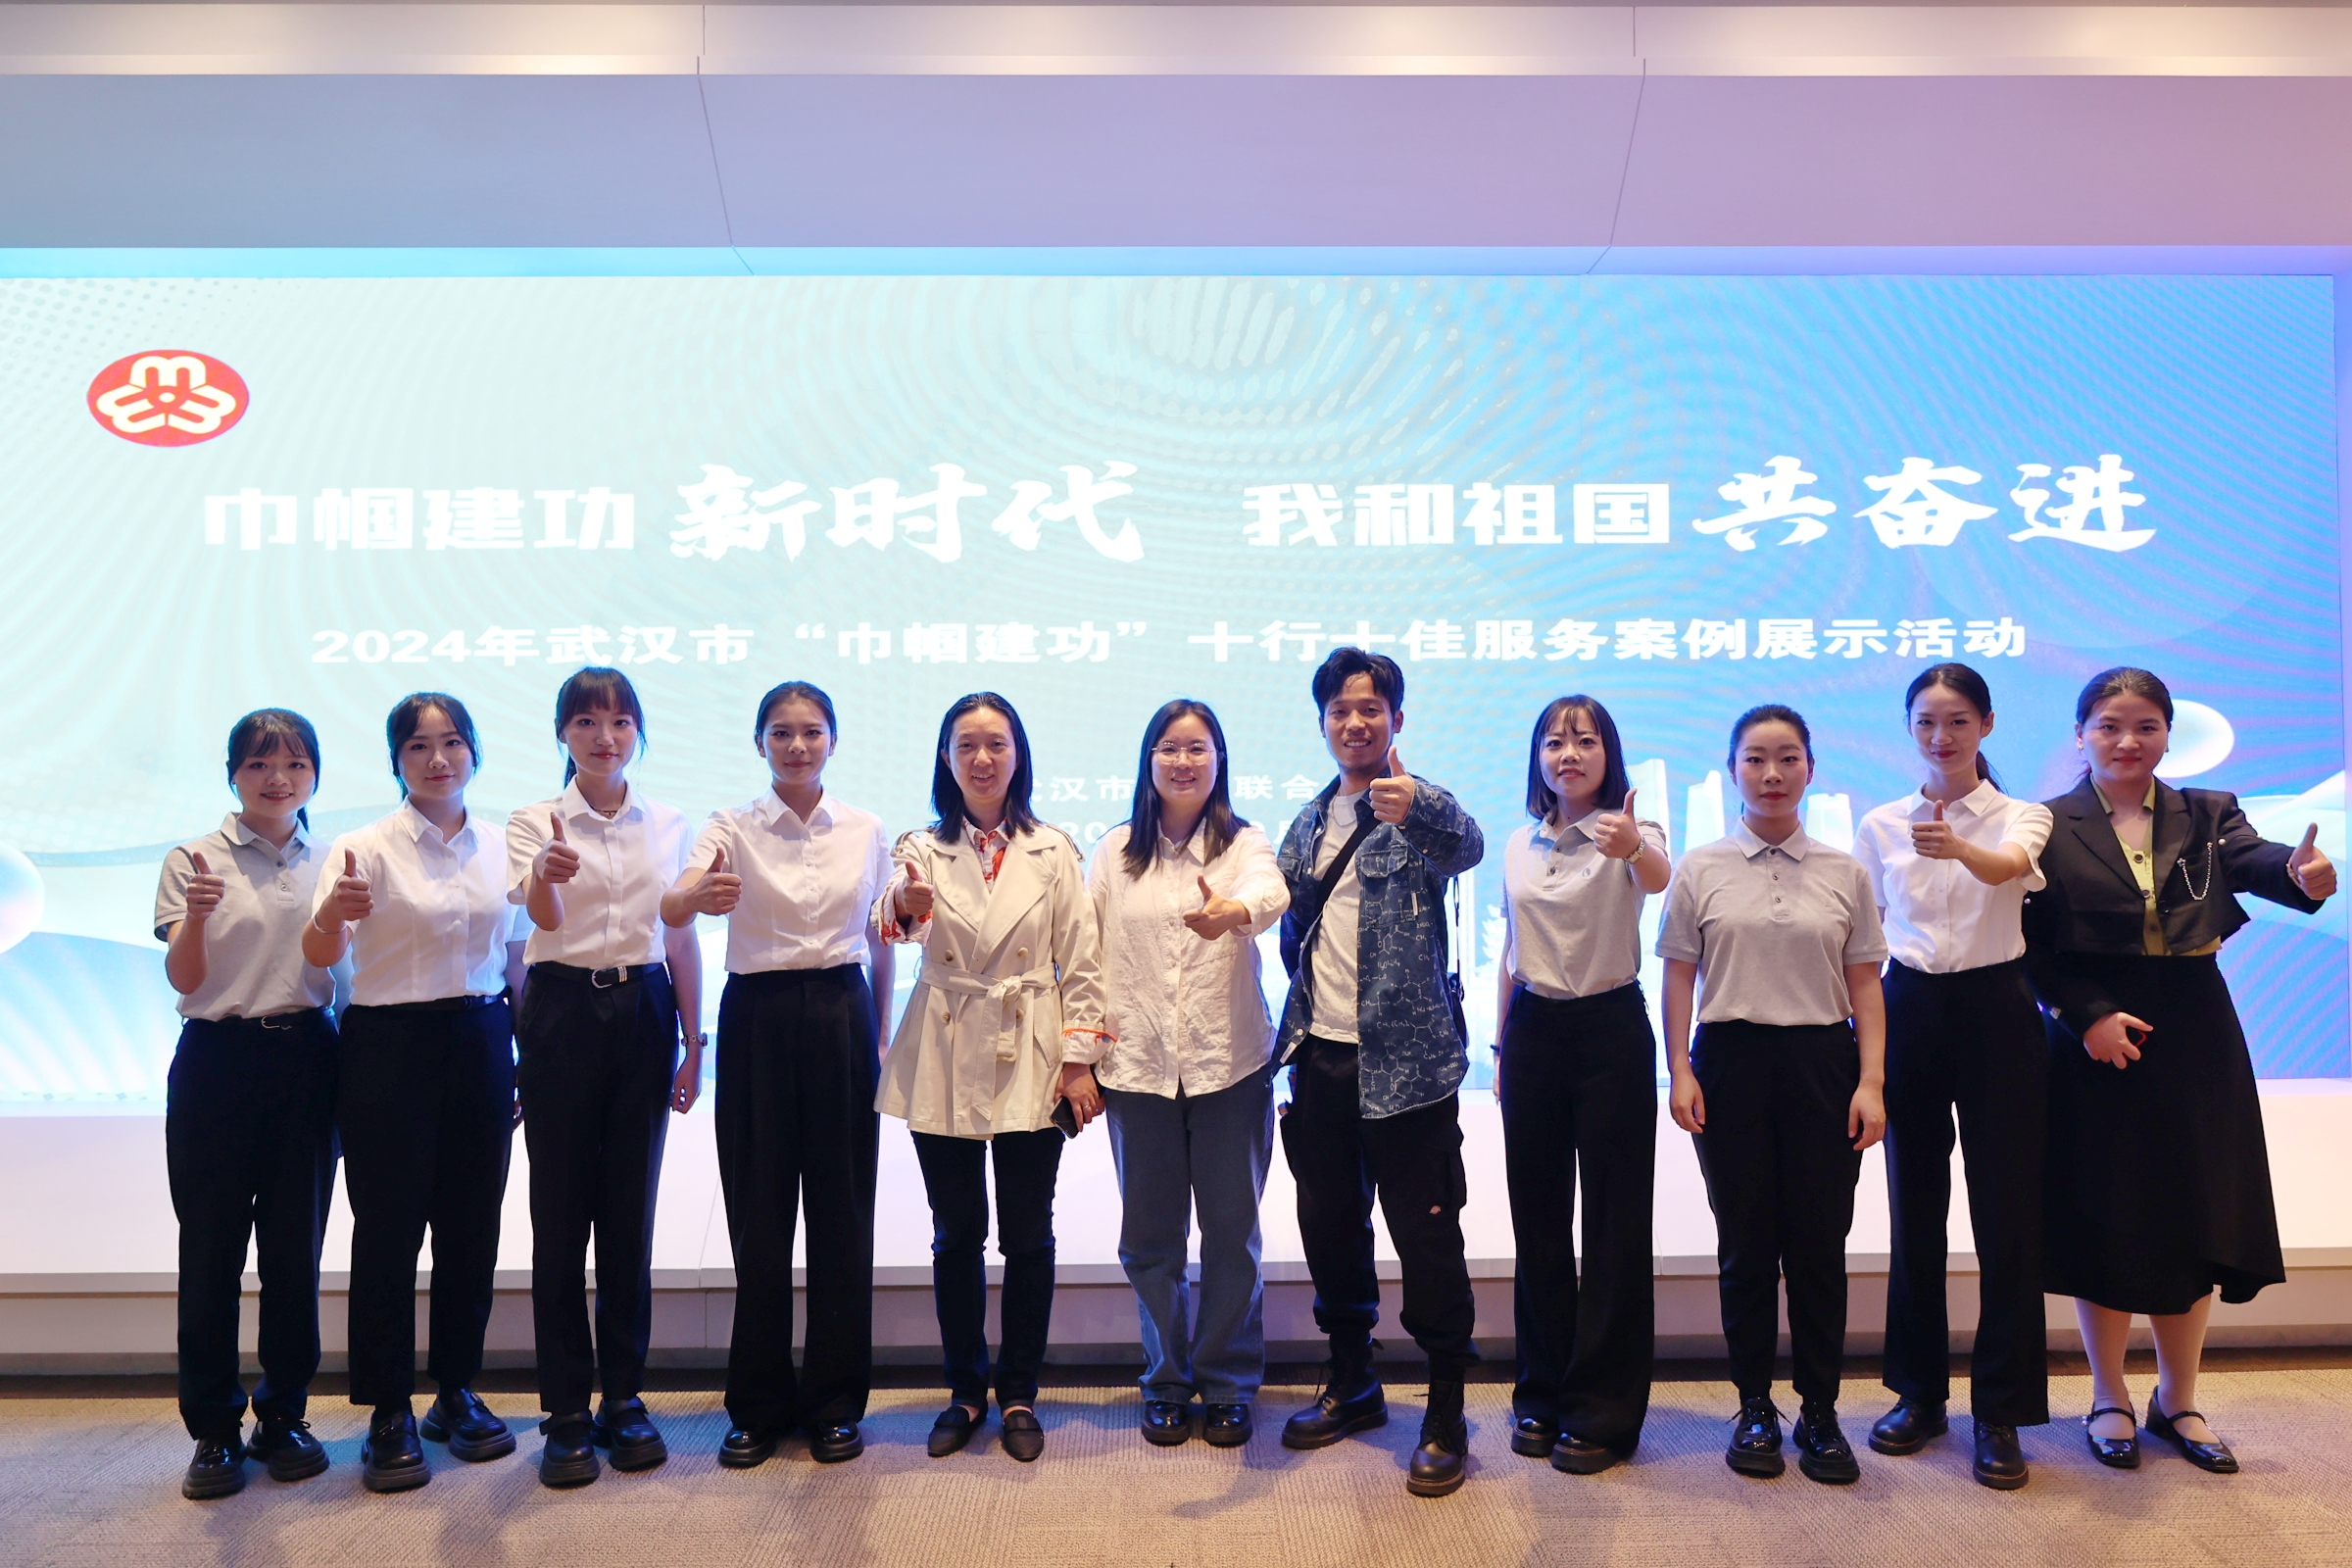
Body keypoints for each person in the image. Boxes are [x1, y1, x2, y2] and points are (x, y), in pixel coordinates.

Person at [2024, 666, 2333, 1475]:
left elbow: (2261, 863)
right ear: (2081, 734)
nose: (2128, 741)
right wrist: (2086, 1017)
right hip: (2095, 1031)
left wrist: (2303, 875)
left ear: (2168, 734)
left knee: (2195, 1208)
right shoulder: (2046, 823)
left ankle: (2178, 1399)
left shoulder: (2209, 812)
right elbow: (2030, 944)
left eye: (2146, 726)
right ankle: (2108, 1397)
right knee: (2106, 1210)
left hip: (2194, 1023)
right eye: (2109, 725)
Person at [662, 680, 893, 1469]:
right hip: (757, 1016)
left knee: (842, 1215)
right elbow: (676, 905)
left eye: (812, 731)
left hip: (841, 1012)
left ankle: (835, 1403)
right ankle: (757, 1405)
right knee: (758, 1216)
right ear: (758, 742)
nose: (797, 746)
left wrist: (880, 1035)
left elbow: (882, 934)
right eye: (782, 732)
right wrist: (695, 894)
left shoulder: (865, 828)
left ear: (833, 740)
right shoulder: (730, 825)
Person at [1272, 647, 1486, 1498]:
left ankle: (1445, 1409)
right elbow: (1285, 918)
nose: (1355, 723)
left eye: (1370, 709)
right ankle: (1353, 1380)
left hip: (1411, 1070)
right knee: (1331, 1230)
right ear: (1323, 722)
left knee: (1428, 1238)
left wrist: (1417, 803)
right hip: (1321, 1059)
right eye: (1340, 710)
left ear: (1396, 719)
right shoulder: (1306, 822)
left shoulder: (1417, 807)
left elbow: (1466, 848)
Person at [873, 692, 1106, 1464]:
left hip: (1032, 1046)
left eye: (996, 744)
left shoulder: (1053, 849)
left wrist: (1080, 1060)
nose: (982, 759)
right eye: (966, 745)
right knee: (956, 1236)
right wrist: (902, 904)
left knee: (1029, 1234)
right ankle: (965, 1389)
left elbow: (1083, 960)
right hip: (944, 1042)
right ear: (945, 757)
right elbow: (889, 921)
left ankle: (1020, 1392)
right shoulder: (919, 845)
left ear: (1018, 755)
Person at [304, 693, 528, 1494]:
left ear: (474, 753)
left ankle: (455, 1391)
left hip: (480, 1038)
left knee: (472, 1227)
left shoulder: (503, 846)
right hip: (387, 1044)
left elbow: (517, 962)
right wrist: (332, 915)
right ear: (396, 760)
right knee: (388, 1231)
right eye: (419, 746)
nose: (438, 759)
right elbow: (321, 952)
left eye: (453, 743)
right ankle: (389, 1408)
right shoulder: (361, 847)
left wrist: (522, 1057)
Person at [1659, 704, 1887, 1486]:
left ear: (1810, 769)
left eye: (1788, 758)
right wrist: (1679, 1068)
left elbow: (1866, 983)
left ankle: (1820, 1411)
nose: (1772, 773)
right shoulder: (1700, 868)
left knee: (1819, 1248)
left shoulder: (1845, 871)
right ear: (1733, 772)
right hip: (1729, 1061)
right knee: (1747, 1245)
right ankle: (1755, 1406)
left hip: (1824, 1063)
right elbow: (1679, 975)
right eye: (1755, 759)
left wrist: (1871, 1080)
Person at [1851, 664, 2053, 1490]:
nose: (1942, 736)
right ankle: (1920, 1394)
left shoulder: (2023, 814)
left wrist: (1957, 846)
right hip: (1910, 1006)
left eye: (1959, 721)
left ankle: (2001, 1410)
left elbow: (2008, 868)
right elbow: (1865, 934)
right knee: (1915, 1210)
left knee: (2008, 1215)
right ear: (1909, 728)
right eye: (1927, 722)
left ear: (1988, 725)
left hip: (1999, 1006)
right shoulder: (1880, 823)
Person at [506, 668, 701, 1487]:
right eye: (586, 721)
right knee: (559, 1220)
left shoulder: (670, 822)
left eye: (619, 721)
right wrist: (547, 875)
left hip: (644, 1008)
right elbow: (538, 923)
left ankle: (624, 1398)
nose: (604, 737)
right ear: (563, 733)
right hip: (560, 1009)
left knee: (629, 1215)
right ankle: (565, 1412)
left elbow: (679, 933)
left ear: (638, 732)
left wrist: (695, 1040)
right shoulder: (532, 821)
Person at [1090, 699, 1289, 1449]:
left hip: (1229, 1068)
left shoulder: (1244, 842)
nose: (1183, 761)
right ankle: (1167, 1381)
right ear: (1149, 760)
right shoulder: (1115, 852)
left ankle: (1229, 1384)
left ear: (1219, 760)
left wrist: (1233, 912)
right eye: (1169, 748)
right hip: (1137, 1070)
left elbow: (1271, 892)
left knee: (1232, 1237)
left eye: (1197, 748)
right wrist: (1079, 1055)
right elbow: (1085, 956)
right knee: (1150, 1240)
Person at [155, 710, 342, 1500]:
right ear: (233, 773)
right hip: (217, 1061)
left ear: (314, 776)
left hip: (307, 1058)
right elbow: (184, 978)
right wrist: (198, 916)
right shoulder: (193, 859)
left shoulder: (334, 859)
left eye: (295, 764)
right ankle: (213, 1429)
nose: (278, 779)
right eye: (260, 763)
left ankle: (284, 1415)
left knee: (295, 1252)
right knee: (210, 1252)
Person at [1494, 696, 1669, 1477]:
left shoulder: (1632, 830)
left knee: (1614, 1225)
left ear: (1608, 753)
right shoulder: (1519, 843)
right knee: (1537, 1221)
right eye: (1555, 742)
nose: (1569, 753)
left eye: (1586, 740)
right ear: (1538, 757)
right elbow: (1510, 951)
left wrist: (1632, 846)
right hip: (1533, 1030)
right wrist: (1502, 1046)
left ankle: (1605, 1410)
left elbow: (1658, 875)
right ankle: (1541, 1390)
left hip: (1609, 1031)